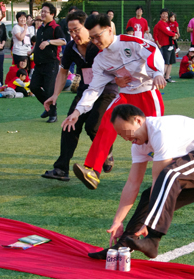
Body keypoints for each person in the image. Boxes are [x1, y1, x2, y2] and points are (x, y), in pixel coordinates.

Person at [88, 104, 194, 259]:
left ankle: (152, 240)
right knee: (149, 196)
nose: (126, 138)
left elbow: (159, 179)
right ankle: (124, 245)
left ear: (138, 120)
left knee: (168, 175)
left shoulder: (159, 131)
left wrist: (150, 221)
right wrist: (118, 221)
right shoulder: (138, 145)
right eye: (121, 135)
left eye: (126, 132)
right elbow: (132, 183)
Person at [61, 13, 166, 190]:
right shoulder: (100, 59)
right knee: (106, 124)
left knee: (154, 135)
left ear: (109, 30)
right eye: (92, 38)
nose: (95, 41)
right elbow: (94, 88)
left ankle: (168, 171)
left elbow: (152, 50)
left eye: (98, 36)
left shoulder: (131, 42)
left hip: (147, 93)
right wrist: (77, 112)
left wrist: (157, 73)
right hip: (125, 95)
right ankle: (92, 171)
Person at [41, 11, 118, 181]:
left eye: (77, 30)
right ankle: (61, 169)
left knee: (93, 126)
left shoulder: (99, 45)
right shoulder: (71, 48)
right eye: (70, 31)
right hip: (85, 90)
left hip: (107, 91)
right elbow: (63, 72)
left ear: (87, 28)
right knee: (69, 125)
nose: (74, 35)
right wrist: (55, 95)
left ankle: (106, 152)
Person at [31, 2, 66, 122]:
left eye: (45, 12)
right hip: (39, 64)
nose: (43, 13)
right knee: (34, 87)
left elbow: (63, 41)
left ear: (52, 14)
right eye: (42, 11)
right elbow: (39, 43)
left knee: (49, 90)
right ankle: (48, 107)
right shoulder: (40, 28)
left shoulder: (56, 27)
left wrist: (49, 42)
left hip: (51, 63)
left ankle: (53, 113)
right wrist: (32, 51)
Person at [154, 9, 177, 83]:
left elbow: (170, 32)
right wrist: (174, 34)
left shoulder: (166, 23)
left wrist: (174, 36)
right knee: (166, 62)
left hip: (170, 44)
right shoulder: (160, 23)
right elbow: (166, 32)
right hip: (165, 45)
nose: (165, 15)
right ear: (160, 15)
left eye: (166, 14)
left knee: (170, 62)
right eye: (163, 14)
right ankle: (161, 78)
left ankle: (167, 77)